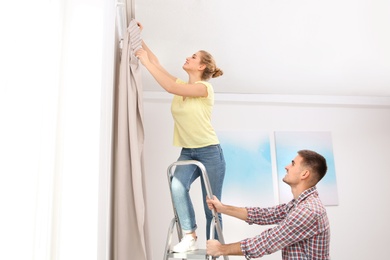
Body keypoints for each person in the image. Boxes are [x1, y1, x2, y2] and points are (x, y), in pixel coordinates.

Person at [135, 23, 226, 253]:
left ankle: (215, 250)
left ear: (202, 65)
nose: (188, 57)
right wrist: (139, 37)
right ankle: (189, 234)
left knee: (211, 206)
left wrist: (143, 61)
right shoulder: (181, 85)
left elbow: (167, 86)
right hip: (188, 150)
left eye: (193, 57)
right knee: (177, 186)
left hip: (209, 151)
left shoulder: (205, 89)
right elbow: (156, 63)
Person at [206, 149, 330, 259]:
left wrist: (221, 249)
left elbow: (268, 241)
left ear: (304, 174)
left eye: (293, 164)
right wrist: (222, 208)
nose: (287, 167)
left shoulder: (308, 211)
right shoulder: (298, 204)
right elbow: (264, 214)